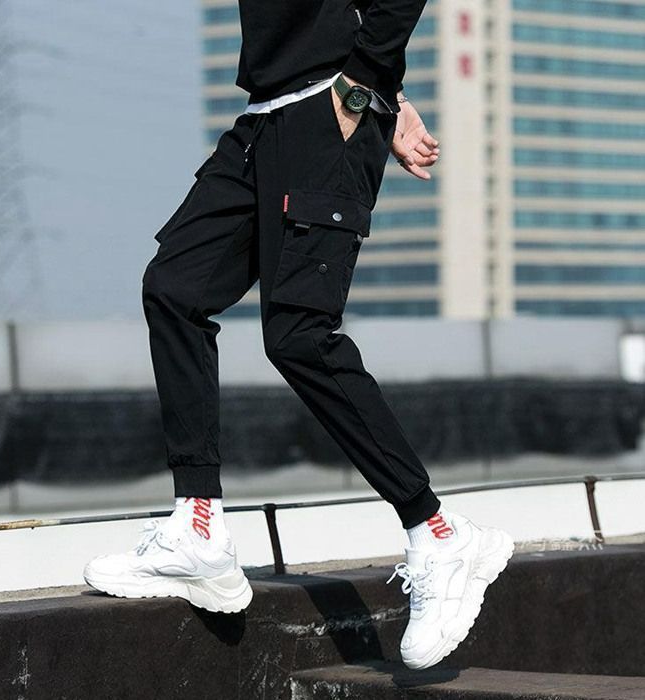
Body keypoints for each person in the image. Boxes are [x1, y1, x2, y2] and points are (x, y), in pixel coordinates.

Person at [83, 0, 514, 670]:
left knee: (299, 333)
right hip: (266, 116)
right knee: (174, 289)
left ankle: (438, 532)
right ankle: (199, 529)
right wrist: (393, 96)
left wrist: (363, 83)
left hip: (327, 113)